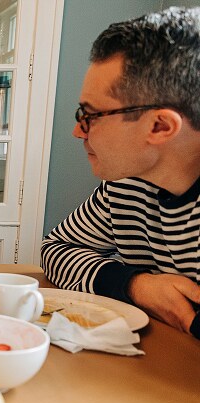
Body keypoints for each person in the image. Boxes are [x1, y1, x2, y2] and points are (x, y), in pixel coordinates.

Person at [41, 7, 200, 337]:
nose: (77, 131)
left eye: (91, 115)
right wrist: (137, 285)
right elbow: (55, 249)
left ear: (159, 126)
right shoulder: (128, 185)